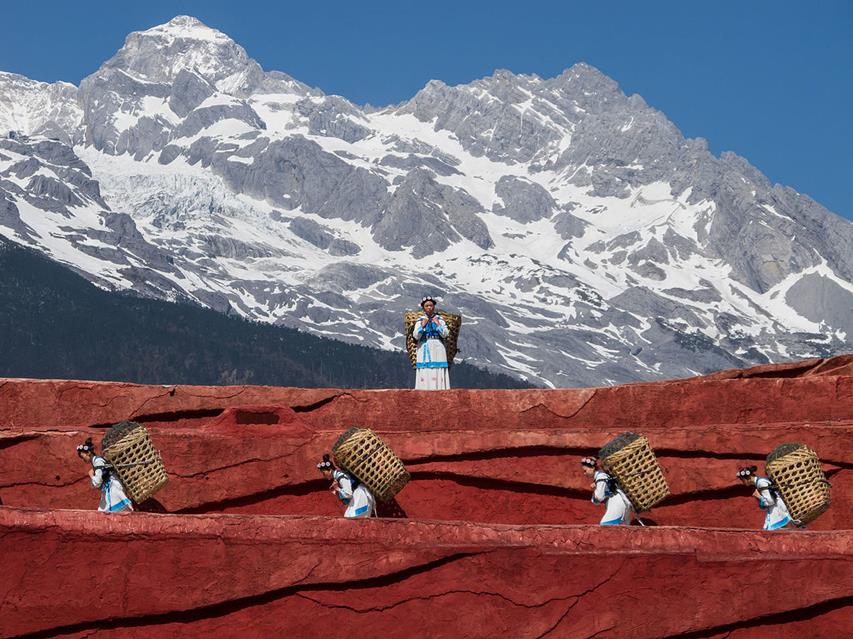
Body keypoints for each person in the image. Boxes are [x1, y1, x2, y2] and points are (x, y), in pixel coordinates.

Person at [76, 438, 133, 513]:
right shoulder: (96, 461)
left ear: (88, 453)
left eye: (83, 456)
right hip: (110, 489)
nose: (83, 459)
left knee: (115, 510)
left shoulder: (98, 461)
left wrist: (91, 475)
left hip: (113, 489)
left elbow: (97, 482)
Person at [412, 296, 451, 390]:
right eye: (427, 306)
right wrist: (422, 326)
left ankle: (440, 388)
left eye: (431, 305)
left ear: (434, 307)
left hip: (438, 347)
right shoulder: (420, 320)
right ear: (423, 308)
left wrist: (438, 324)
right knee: (425, 367)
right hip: (424, 346)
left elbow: (445, 334)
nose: (429, 307)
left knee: (438, 366)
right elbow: (416, 336)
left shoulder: (440, 320)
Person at [581, 456, 633, 525]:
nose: (584, 473)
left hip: (617, 503)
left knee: (605, 525)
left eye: (585, 471)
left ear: (592, 468)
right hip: (617, 503)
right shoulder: (600, 477)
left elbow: (598, 498)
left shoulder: (600, 477)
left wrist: (594, 489)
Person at [736, 466, 793, 530]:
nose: (743, 482)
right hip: (775, 508)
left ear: (748, 478)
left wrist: (759, 497)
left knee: (769, 530)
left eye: (742, 480)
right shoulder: (759, 482)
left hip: (777, 509)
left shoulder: (761, 483)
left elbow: (770, 501)